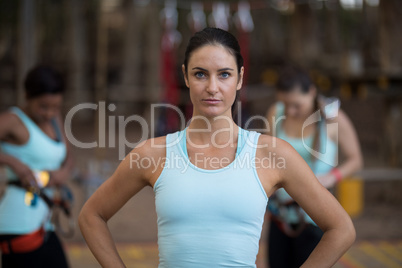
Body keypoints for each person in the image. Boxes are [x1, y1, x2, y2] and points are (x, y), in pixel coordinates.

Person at [79, 28, 356, 268]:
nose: (212, 87)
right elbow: (91, 215)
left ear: (240, 78)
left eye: (224, 74)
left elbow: (341, 229)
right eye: (200, 74)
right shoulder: (153, 154)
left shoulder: (272, 154)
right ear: (185, 76)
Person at [265, 65, 363, 268]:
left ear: (311, 92)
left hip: (315, 217)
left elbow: (356, 159)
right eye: (285, 103)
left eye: (296, 105)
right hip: (280, 215)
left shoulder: (333, 118)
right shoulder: (277, 112)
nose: (290, 111)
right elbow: (267, 154)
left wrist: (330, 177)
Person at [0, 65, 73, 267]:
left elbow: (67, 157)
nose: (49, 113)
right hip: (18, 223)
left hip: (44, 221)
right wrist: (13, 162)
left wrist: (61, 175)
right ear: (26, 96)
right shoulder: (13, 121)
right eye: (43, 106)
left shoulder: (54, 120)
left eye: (55, 107)